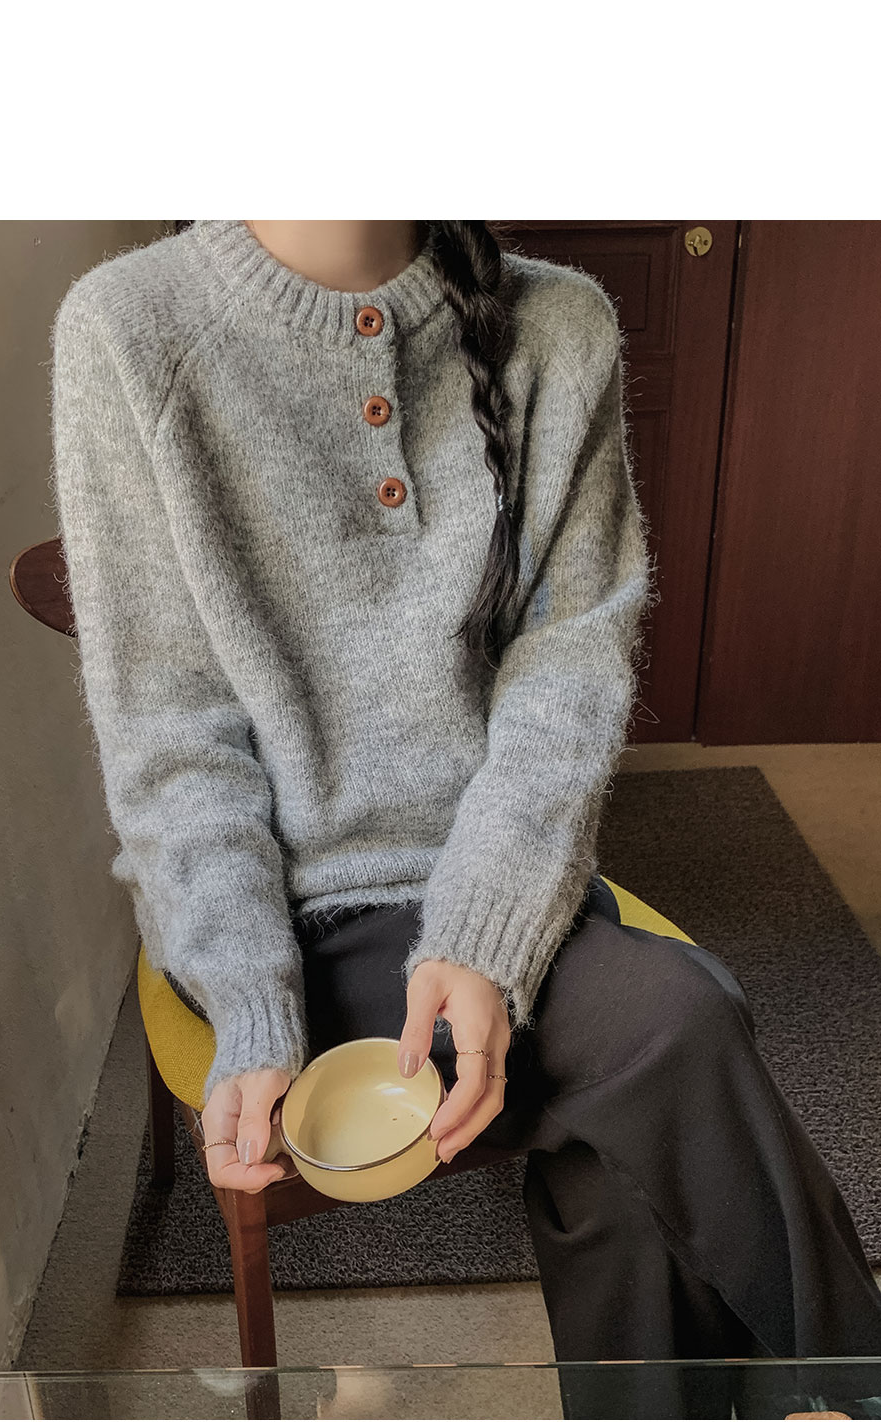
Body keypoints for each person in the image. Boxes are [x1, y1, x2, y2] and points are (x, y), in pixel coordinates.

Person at [49, 219, 881, 1418]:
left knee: (634, 1122)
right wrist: (251, 1000)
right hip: (283, 911)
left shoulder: (562, 326)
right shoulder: (128, 329)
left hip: (502, 862)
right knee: (677, 1023)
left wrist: (487, 936)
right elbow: (174, 741)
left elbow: (569, 670)